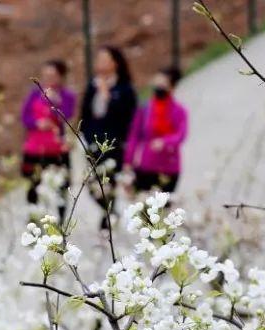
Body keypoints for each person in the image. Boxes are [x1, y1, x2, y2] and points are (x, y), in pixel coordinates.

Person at [80, 45, 137, 229]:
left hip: (114, 144)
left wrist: (108, 96)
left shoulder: (124, 88)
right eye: (99, 60)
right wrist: (87, 137)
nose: (101, 64)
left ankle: (106, 224)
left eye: (106, 60)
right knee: (91, 184)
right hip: (93, 143)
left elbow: (127, 116)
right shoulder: (92, 85)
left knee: (109, 183)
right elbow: (85, 115)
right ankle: (111, 214)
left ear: (116, 63)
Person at [20, 59, 76, 217]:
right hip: (35, 147)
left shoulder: (67, 96)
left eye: (52, 75)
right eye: (45, 75)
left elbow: (67, 116)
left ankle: (60, 222)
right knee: (33, 184)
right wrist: (37, 123)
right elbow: (25, 117)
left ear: (61, 76)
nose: (48, 78)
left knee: (61, 186)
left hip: (57, 148)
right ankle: (33, 218)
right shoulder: (34, 93)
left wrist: (54, 102)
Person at [125, 66, 188, 194]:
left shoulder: (179, 111)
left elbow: (181, 134)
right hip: (146, 166)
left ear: (172, 87)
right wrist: (128, 161)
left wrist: (165, 142)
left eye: (163, 84)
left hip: (169, 167)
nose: (159, 87)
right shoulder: (144, 108)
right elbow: (134, 136)